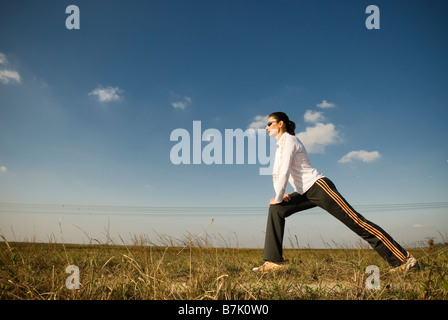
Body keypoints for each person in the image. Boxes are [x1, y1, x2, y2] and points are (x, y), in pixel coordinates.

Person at [252, 112, 417, 272]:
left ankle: (404, 259)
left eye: (269, 123)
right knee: (276, 209)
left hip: (319, 187)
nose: (266, 127)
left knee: (356, 222)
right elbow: (281, 173)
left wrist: (279, 196)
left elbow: (284, 171)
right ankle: (273, 262)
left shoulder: (289, 140)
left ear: (280, 124)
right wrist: (283, 196)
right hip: (304, 192)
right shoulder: (280, 145)